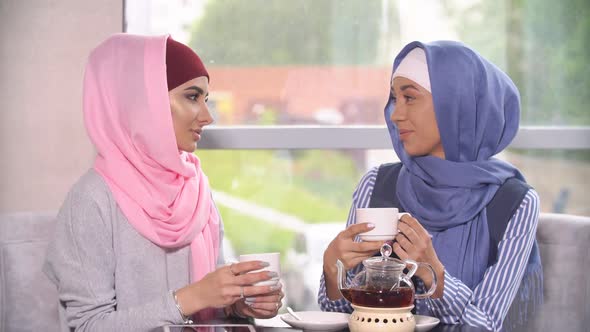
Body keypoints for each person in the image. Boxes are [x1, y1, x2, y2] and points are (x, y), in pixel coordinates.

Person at [43, 33, 283, 331]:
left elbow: (209, 293)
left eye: (206, 100)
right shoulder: (92, 200)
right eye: (192, 96)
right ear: (145, 101)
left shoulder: (195, 188)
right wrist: (189, 298)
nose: (208, 116)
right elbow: (89, 326)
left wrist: (238, 302)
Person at [319, 41, 542, 331]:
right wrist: (333, 271)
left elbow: (487, 324)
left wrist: (434, 273)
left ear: (454, 105)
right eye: (394, 99)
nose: (396, 114)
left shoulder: (515, 202)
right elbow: (344, 316)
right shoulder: (375, 185)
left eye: (409, 98)